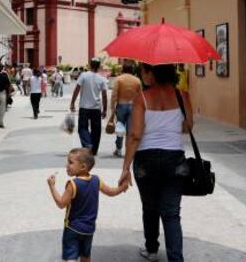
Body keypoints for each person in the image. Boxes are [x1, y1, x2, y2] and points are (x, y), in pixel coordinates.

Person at [118, 64, 193, 262]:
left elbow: (135, 135)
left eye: (144, 71)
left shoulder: (141, 98)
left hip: (146, 158)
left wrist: (125, 167)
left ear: (152, 73)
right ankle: (176, 259)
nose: (142, 76)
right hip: (174, 158)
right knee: (171, 214)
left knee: (150, 207)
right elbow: (188, 126)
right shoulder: (182, 95)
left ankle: (151, 249)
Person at [47, 148, 127, 262]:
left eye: (70, 162)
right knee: (85, 257)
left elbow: (61, 204)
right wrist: (122, 188)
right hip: (89, 229)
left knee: (70, 257)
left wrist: (52, 186)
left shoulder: (73, 184)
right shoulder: (96, 180)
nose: (66, 165)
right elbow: (111, 192)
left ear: (83, 167)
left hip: (72, 228)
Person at [70, 58, 107, 156]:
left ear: (90, 65)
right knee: (96, 129)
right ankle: (93, 150)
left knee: (82, 128)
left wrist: (72, 102)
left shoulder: (83, 75)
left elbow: (76, 89)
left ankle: (87, 145)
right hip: (96, 108)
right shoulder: (101, 78)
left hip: (84, 107)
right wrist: (105, 109)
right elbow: (104, 95)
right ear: (99, 66)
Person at [108, 63, 142, 157]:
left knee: (120, 128)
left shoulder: (119, 79)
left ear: (123, 69)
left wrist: (112, 108)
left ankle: (118, 149)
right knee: (130, 130)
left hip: (121, 105)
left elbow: (114, 94)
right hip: (133, 105)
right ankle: (129, 150)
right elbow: (141, 96)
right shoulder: (137, 80)